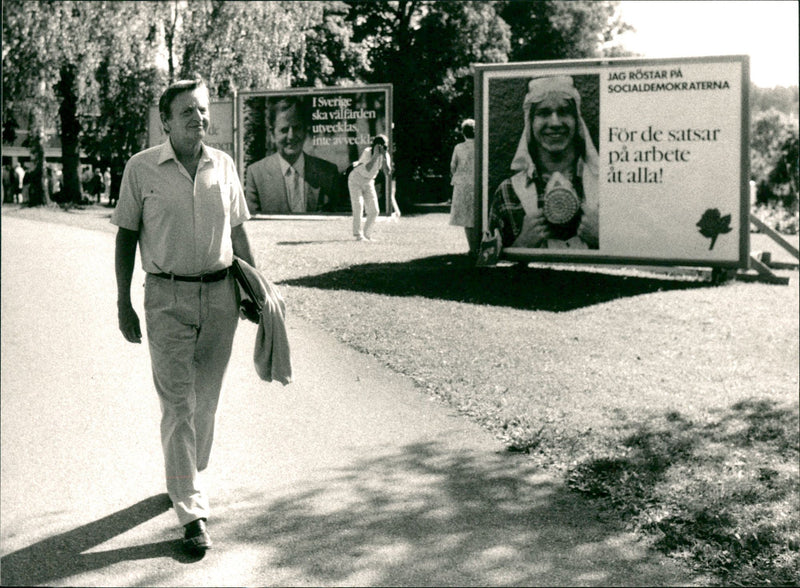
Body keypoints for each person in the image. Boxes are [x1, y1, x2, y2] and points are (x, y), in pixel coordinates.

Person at [112, 78, 255, 554]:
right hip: (166, 299)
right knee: (178, 405)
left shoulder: (225, 165)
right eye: (187, 111)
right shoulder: (141, 169)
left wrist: (256, 287)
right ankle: (192, 512)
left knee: (205, 403)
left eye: (202, 109)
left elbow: (237, 232)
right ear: (166, 121)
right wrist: (122, 301)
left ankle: (184, 475)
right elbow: (125, 235)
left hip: (221, 300)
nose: (198, 118)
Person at [489, 76, 599, 250]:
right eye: (544, 113)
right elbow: (485, 269)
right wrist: (522, 244)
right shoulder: (508, 192)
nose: (555, 122)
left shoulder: (606, 187)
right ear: (530, 123)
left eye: (564, 112)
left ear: (577, 120)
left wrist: (603, 239)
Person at [245, 97, 340, 214]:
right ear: (272, 134)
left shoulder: (328, 172)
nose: (291, 136)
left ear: (305, 130)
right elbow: (255, 225)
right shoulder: (256, 174)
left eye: (297, 128)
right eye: (284, 130)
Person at [348, 134, 392, 241]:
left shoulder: (386, 155)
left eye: (386, 145)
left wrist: (385, 158)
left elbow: (387, 172)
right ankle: (358, 235)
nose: (384, 147)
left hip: (369, 181)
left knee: (374, 210)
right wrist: (375, 155)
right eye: (382, 145)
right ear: (376, 145)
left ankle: (367, 235)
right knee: (358, 206)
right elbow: (368, 168)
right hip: (356, 179)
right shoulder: (368, 151)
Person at [449, 119, 480, 257]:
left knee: (467, 218)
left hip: (462, 185)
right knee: (478, 215)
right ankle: (480, 246)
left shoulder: (459, 147)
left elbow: (453, 166)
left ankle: (473, 248)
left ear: (463, 132)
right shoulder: (480, 147)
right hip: (477, 184)